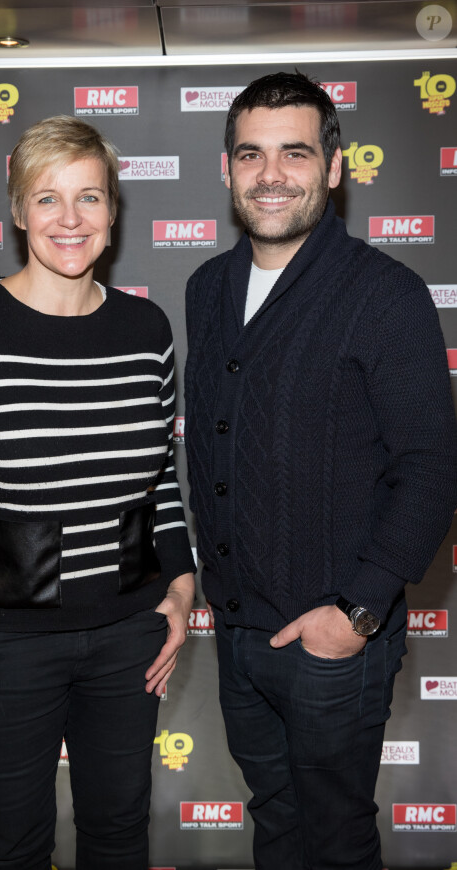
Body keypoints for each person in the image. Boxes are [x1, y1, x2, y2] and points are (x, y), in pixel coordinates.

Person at [0, 115, 196, 870]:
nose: (70, 219)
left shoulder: (147, 330)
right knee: (13, 847)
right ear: (18, 210)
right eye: (47, 198)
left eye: (89, 197)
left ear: (114, 213)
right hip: (2, 646)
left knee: (119, 837)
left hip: (127, 639)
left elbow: (160, 482)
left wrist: (181, 584)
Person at [184, 71, 457, 870]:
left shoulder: (385, 294)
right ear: (226, 169)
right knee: (275, 824)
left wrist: (358, 613)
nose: (271, 175)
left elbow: (432, 468)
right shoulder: (208, 288)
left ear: (334, 168)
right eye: (251, 154)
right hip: (238, 632)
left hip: (334, 640)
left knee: (334, 838)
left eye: (295, 153)